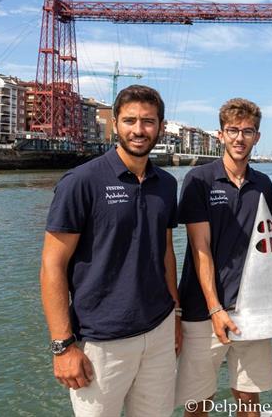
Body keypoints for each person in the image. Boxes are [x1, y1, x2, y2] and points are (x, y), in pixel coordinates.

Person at [40, 85, 181, 416]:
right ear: (115, 123)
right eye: (130, 120)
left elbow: (165, 252)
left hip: (158, 331)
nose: (138, 130)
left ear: (161, 126)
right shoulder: (81, 182)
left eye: (148, 121)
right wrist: (62, 346)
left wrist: (175, 315)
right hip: (101, 341)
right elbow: (52, 265)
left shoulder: (166, 184)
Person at [175, 98, 272, 417]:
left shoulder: (263, 184)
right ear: (220, 134)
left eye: (247, 131)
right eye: (232, 130)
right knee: (198, 401)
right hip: (203, 310)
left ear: (257, 137)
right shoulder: (199, 180)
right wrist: (215, 307)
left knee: (248, 398)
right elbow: (200, 248)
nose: (239, 138)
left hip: (252, 309)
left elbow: (270, 249)